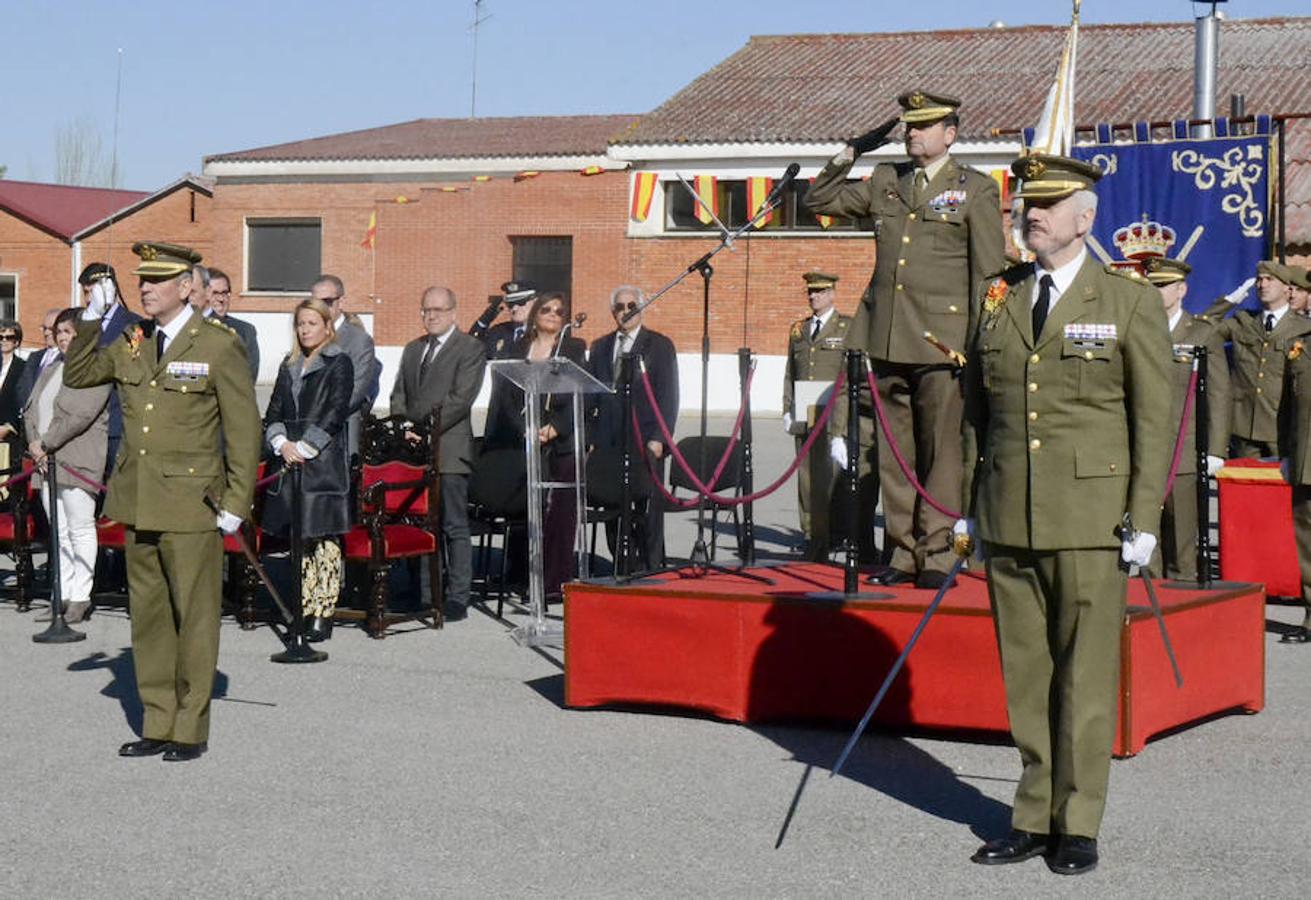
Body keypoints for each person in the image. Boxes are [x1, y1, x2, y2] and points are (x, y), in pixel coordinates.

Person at [958, 154, 1173, 875]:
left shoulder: (1127, 301)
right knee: (1025, 673)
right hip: (1008, 510)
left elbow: (1153, 418)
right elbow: (976, 413)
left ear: (1085, 219)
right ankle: (1030, 814)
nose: (1031, 215)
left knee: (1082, 676)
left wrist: (1143, 516)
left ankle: (1076, 822)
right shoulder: (999, 295)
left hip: (1090, 514)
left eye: (1047, 205)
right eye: (1025, 205)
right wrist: (968, 508)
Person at [63, 240, 260, 763]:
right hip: (139, 499)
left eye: (157, 281)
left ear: (186, 287)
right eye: (141, 281)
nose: (145, 289)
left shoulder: (217, 344)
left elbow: (243, 430)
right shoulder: (132, 339)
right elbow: (78, 374)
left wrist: (237, 500)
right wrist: (90, 315)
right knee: (148, 619)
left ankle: (189, 728)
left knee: (193, 618)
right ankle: (157, 720)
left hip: (192, 502)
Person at [806, 89, 1005, 588]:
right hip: (887, 336)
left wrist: (981, 343)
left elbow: (989, 273)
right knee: (896, 454)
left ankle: (937, 553)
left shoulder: (975, 189)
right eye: (908, 126)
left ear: (950, 134)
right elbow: (819, 198)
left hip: (944, 342)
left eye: (923, 126)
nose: (912, 133)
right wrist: (852, 151)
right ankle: (902, 553)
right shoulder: (884, 180)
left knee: (941, 453)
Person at [389, 286, 487, 621]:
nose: (431, 316)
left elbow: (462, 399)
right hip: (415, 451)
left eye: (438, 310)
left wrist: (427, 428)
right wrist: (404, 427)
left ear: (453, 313)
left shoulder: (470, 348)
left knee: (453, 525)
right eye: (425, 309)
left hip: (449, 450)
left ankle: (458, 595)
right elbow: (399, 393)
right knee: (420, 522)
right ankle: (425, 592)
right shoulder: (413, 349)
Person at [262, 297, 354, 642]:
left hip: (322, 463)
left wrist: (306, 446)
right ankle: (302, 606)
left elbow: (336, 409)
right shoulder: (289, 365)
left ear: (327, 326)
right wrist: (282, 442)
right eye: (300, 323)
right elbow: (273, 413)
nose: (305, 329)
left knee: (324, 539)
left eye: (312, 323)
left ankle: (322, 612)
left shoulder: (338, 362)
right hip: (290, 462)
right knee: (299, 539)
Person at [484, 291, 587, 599]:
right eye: (546, 309)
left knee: (557, 513)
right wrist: (525, 429)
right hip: (522, 438)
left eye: (559, 310)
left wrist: (555, 428)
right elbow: (503, 394)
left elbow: (581, 390)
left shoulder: (574, 348)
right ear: (534, 315)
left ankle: (552, 583)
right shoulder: (516, 348)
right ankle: (518, 575)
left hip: (561, 442)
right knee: (523, 509)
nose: (553, 314)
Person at [1141, 256, 1231, 581]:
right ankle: (1150, 611)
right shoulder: (1139, 329)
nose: (1156, 292)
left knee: (1181, 542)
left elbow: (1219, 395)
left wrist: (1216, 449)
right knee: (1146, 539)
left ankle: (1179, 611)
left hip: (1183, 450)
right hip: (1144, 451)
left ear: (1181, 289)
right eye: (1151, 285)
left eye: (1163, 286)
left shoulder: (1202, 333)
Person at [24, 307, 111, 624]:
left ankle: (80, 597)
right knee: (58, 533)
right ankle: (60, 594)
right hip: (45, 463)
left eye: (69, 332)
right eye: (59, 332)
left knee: (80, 529)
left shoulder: (94, 369)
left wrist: (45, 444)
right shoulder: (52, 368)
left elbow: (79, 415)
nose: (62, 338)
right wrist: (35, 444)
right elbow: (31, 410)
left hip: (77, 460)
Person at [780, 271, 875, 561]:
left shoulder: (846, 327)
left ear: (832, 294)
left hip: (836, 408)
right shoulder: (799, 329)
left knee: (837, 478)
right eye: (810, 292)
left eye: (820, 292)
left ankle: (840, 534)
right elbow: (790, 372)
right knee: (808, 479)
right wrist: (787, 407)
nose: (813, 297)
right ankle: (812, 536)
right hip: (807, 408)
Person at [587, 285, 679, 570]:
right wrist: (591, 438)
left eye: (631, 306)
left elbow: (668, 395)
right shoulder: (601, 347)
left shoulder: (659, 345)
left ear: (641, 307)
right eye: (619, 307)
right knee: (613, 505)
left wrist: (659, 439)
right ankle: (621, 564)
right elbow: (591, 395)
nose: (625, 312)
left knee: (648, 508)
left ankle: (651, 565)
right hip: (609, 439)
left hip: (645, 438)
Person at [1201, 261, 1311, 458]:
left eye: (1270, 279)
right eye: (1260, 280)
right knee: (1245, 487)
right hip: (1244, 426)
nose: (1263, 284)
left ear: (1287, 288)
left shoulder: (1303, 328)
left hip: (1281, 427)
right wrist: (1229, 302)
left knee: (1284, 488)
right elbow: (1203, 331)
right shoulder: (1244, 322)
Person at [78, 262, 141, 477]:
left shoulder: (134, 325)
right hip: (85, 426)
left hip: (116, 425)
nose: (88, 300)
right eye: (85, 293)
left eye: (91, 292)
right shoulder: (83, 322)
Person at [309, 275, 379, 460]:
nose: (321, 308)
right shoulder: (306, 336)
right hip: (306, 434)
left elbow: (355, 392)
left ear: (341, 302)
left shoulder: (359, 341)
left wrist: (314, 411)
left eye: (327, 302)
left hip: (341, 434)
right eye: (315, 303)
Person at [203, 268, 260, 382]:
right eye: (215, 293)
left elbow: (248, 377)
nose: (221, 299)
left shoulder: (245, 331)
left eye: (224, 293)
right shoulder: (188, 326)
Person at [480, 281, 537, 359]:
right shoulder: (497, 333)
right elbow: (472, 347)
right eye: (511, 305)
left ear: (535, 302)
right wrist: (484, 320)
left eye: (521, 303)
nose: (514, 308)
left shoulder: (544, 332)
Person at [0, 319, 28, 442]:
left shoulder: (24, 368)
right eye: (0, 337)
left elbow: (24, 401)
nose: (4, 340)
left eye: (9, 337)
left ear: (16, 342)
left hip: (9, 436)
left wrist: (9, 426)